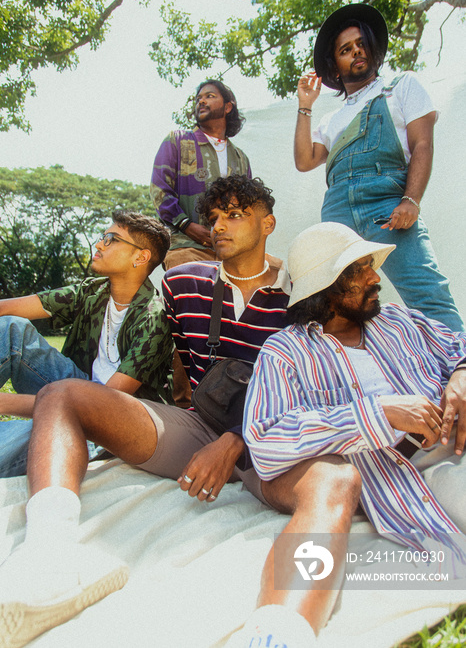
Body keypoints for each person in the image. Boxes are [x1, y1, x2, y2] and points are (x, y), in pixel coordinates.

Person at [0, 177, 361, 648]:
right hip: (198, 426)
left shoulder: (303, 292)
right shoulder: (180, 283)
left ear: (268, 223)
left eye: (236, 214)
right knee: (64, 394)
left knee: (336, 481)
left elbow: (323, 379)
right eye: (213, 218)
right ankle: (51, 557)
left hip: (273, 437)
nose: (220, 226)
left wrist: (236, 441)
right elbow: (163, 350)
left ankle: (278, 633)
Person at [244, 221, 466, 588]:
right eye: (358, 269)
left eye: (370, 265)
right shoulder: (286, 352)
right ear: (325, 286)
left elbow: (459, 345)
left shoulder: (398, 320)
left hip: (455, 444)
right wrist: (378, 413)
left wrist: (461, 376)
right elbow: (266, 440)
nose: (374, 277)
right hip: (409, 474)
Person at [294, 2, 463, 332]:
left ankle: (461, 369)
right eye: (346, 49)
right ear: (335, 66)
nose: (357, 52)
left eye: (361, 44)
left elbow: (422, 145)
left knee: (427, 294)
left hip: (387, 206)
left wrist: (411, 200)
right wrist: (305, 105)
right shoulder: (331, 119)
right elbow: (304, 161)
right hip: (338, 215)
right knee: (341, 305)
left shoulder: (401, 86)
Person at [0, 210, 174, 477]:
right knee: (12, 328)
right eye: (103, 237)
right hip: (76, 385)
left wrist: (6, 403)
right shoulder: (92, 291)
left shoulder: (154, 318)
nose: (99, 244)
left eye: (111, 239)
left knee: (39, 430)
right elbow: (9, 309)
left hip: (113, 420)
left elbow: (103, 406)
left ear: (140, 257)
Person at [150, 79, 251, 270]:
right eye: (198, 99)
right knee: (190, 295)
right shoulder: (177, 140)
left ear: (227, 107)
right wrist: (187, 225)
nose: (201, 102)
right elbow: (159, 191)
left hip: (230, 253)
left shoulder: (241, 159)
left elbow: (247, 208)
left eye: (209, 96)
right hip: (185, 247)